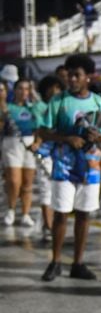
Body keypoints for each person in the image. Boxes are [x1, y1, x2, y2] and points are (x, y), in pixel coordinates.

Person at [39, 54, 101, 281]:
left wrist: (97, 136)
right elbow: (43, 131)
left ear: (88, 77)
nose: (72, 79)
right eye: (70, 75)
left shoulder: (97, 101)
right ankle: (55, 261)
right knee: (61, 214)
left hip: (90, 166)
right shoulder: (58, 101)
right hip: (64, 166)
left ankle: (78, 263)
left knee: (84, 215)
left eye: (77, 75)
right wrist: (67, 139)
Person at [30, 75, 65, 241]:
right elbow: (40, 129)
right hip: (44, 153)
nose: (54, 91)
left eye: (58, 88)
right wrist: (38, 142)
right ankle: (49, 226)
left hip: (62, 154)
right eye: (51, 87)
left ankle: (51, 224)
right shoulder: (39, 107)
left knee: (58, 191)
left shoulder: (62, 104)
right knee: (46, 190)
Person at [0, 79, 38, 227]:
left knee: (28, 183)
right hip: (12, 143)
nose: (24, 92)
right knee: (14, 181)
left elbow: (41, 127)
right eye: (20, 89)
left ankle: (26, 214)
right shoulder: (7, 107)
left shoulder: (33, 108)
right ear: (14, 91)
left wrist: (37, 143)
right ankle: (11, 209)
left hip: (30, 144)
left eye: (27, 89)